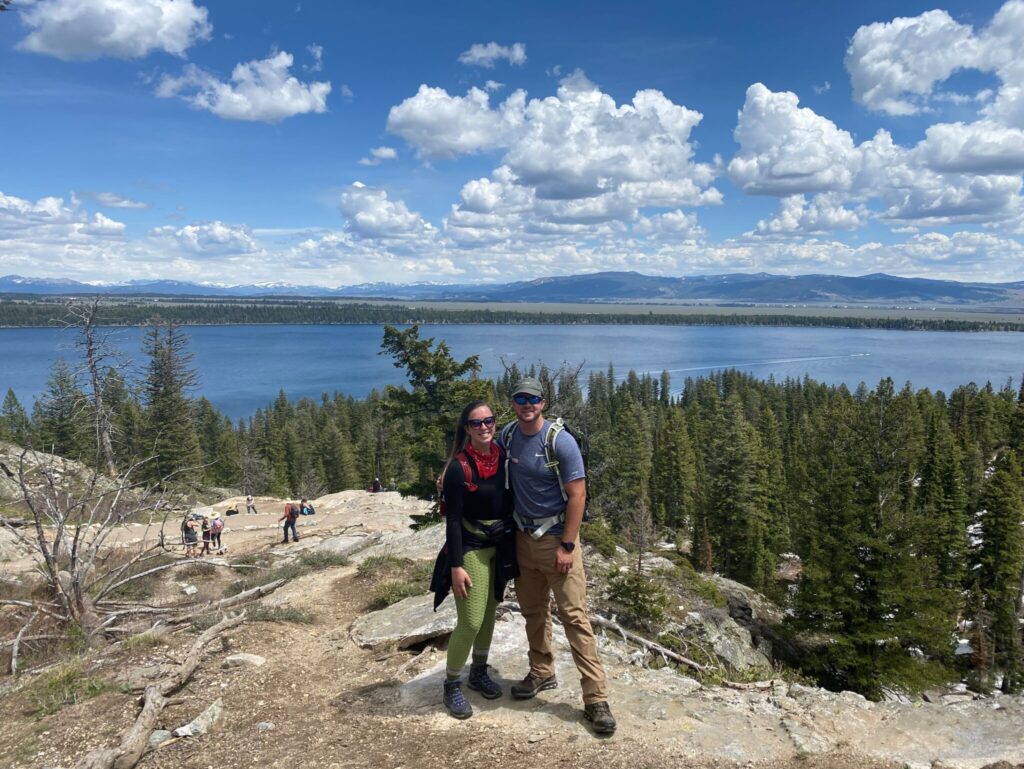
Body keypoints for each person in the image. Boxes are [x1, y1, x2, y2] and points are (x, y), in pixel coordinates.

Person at [501, 377, 616, 735]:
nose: (526, 404)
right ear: (513, 402)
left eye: (532, 399)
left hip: (556, 542)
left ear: (543, 402)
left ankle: (595, 699)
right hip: (523, 539)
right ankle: (541, 671)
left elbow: (578, 496)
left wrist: (568, 545)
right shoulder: (508, 435)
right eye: (520, 398)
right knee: (533, 611)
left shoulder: (559, 442)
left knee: (574, 618)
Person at [430, 400, 516, 720]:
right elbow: (453, 520)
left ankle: (478, 671)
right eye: (476, 423)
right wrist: (456, 566)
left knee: (490, 614)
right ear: (466, 428)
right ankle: (452, 683)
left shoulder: (503, 456)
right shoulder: (458, 467)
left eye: (489, 421)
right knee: (471, 620)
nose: (484, 427)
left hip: (500, 547)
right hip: (471, 548)